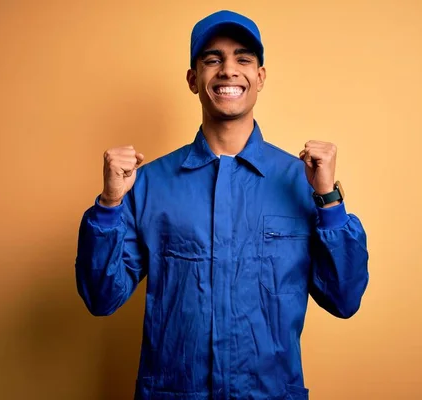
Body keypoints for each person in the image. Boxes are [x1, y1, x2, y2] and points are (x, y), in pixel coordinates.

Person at [75, 9, 369, 400]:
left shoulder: (303, 182)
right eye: (213, 59)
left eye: (243, 58)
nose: (229, 70)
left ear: (260, 77)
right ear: (193, 79)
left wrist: (329, 200)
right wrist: (110, 203)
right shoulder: (149, 184)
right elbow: (101, 297)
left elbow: (344, 299)